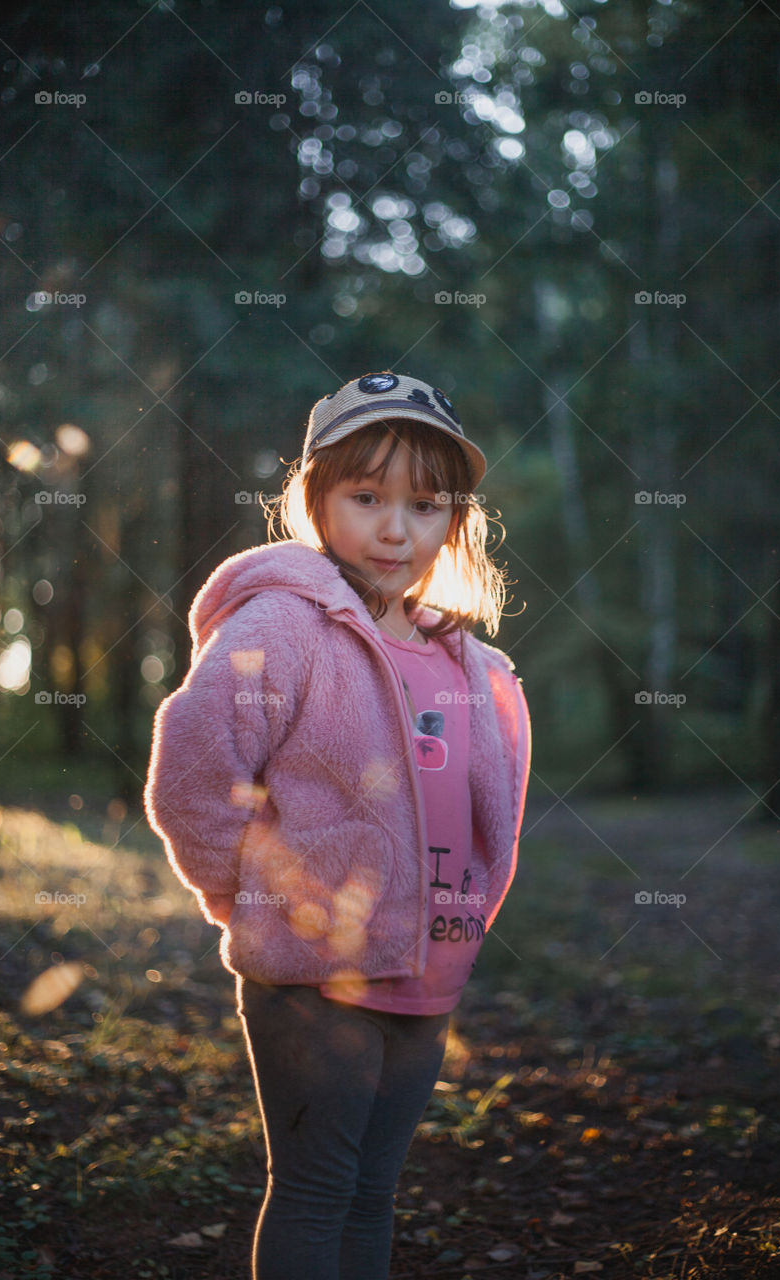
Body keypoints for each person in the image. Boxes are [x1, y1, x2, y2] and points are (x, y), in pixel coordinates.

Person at [143, 370, 532, 1280]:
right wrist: (248, 898)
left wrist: (466, 922)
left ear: (455, 519)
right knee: (318, 1190)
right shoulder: (284, 626)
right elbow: (193, 776)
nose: (396, 529)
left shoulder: (471, 661)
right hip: (312, 972)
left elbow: (492, 820)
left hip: (428, 965)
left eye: (426, 505)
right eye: (366, 498)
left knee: (374, 1193)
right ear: (316, 501)